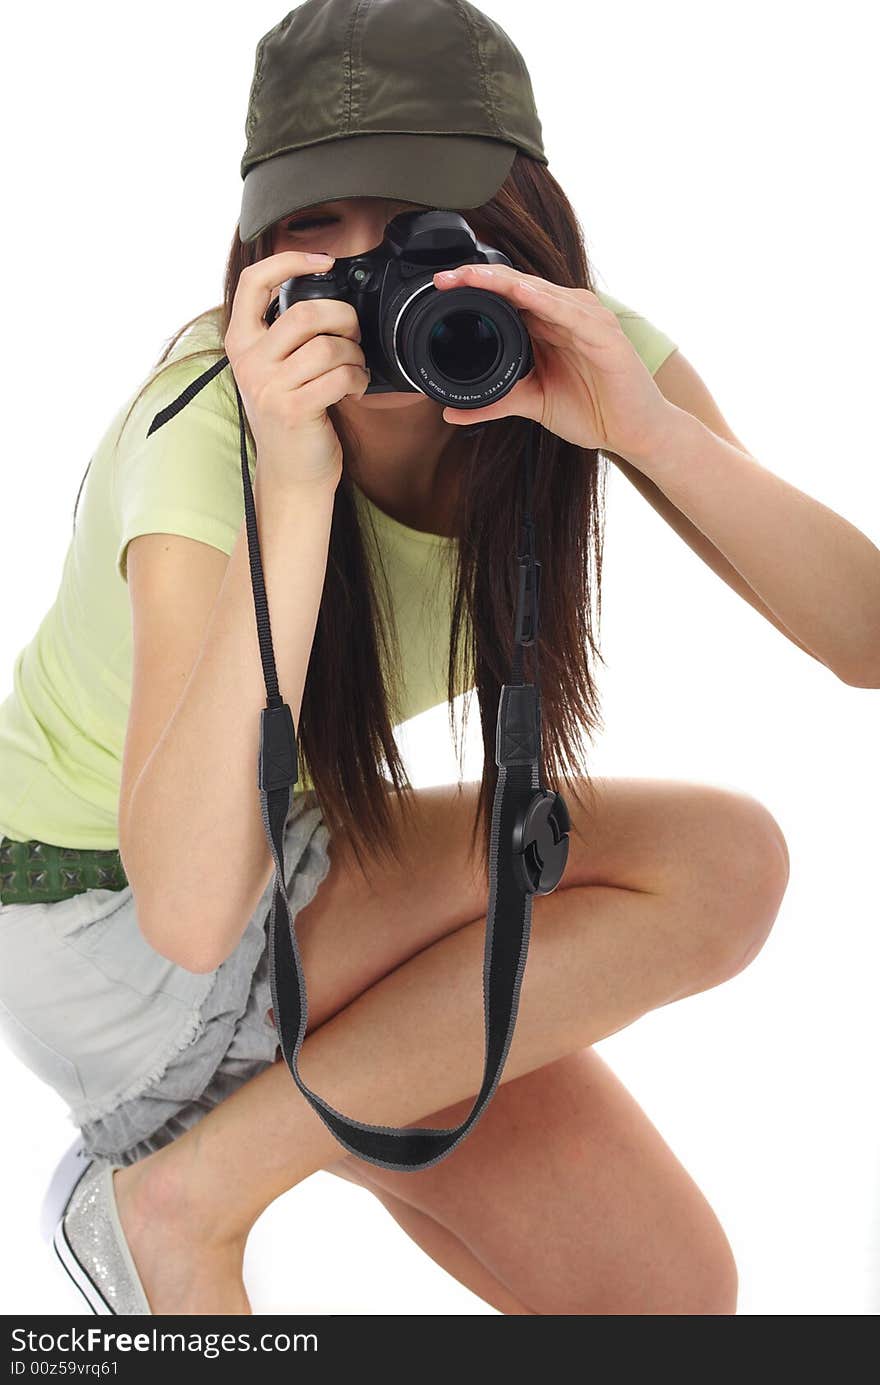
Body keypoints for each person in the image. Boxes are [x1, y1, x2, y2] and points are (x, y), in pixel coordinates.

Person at [2, 0, 876, 1318]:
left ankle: (197, 1181)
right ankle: (176, 1205)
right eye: (320, 233)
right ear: (255, 253)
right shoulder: (207, 429)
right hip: (97, 918)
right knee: (720, 862)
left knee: (665, 1294)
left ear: (518, 225)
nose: (378, 288)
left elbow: (863, 640)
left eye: (422, 233)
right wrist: (294, 490)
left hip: (278, 874)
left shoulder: (559, 347)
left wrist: (643, 429)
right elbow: (187, 913)